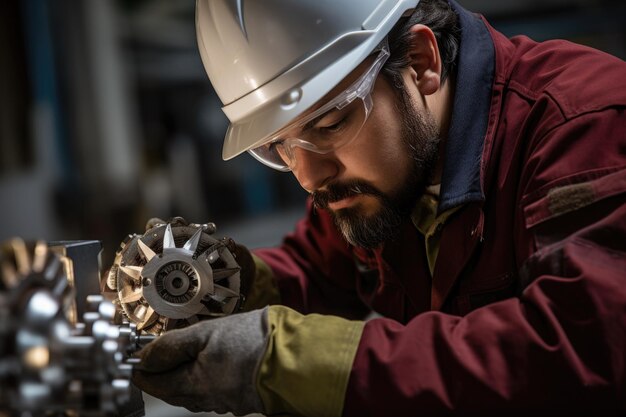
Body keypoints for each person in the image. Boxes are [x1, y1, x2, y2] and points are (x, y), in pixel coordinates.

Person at [131, 0, 626, 415]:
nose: (309, 177)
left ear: (421, 62)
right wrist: (220, 281)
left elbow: (579, 356)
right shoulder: (382, 176)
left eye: (329, 125)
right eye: (281, 146)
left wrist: (290, 362)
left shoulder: (586, 128)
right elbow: (319, 267)